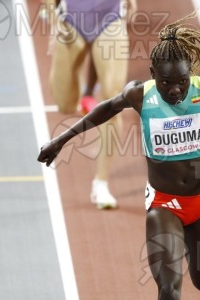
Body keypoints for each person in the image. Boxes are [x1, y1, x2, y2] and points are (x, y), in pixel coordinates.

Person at [38, 11, 200, 299]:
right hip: (164, 204)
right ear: (153, 75)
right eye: (165, 83)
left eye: (182, 81)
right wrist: (62, 140)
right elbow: (105, 110)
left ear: (190, 73)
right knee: (169, 289)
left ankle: (185, 239)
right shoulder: (140, 95)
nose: (175, 90)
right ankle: (172, 241)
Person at [44, 0, 137, 209]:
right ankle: (81, 86)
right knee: (65, 103)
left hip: (110, 16)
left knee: (114, 102)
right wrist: (52, 17)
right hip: (71, 18)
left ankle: (101, 183)